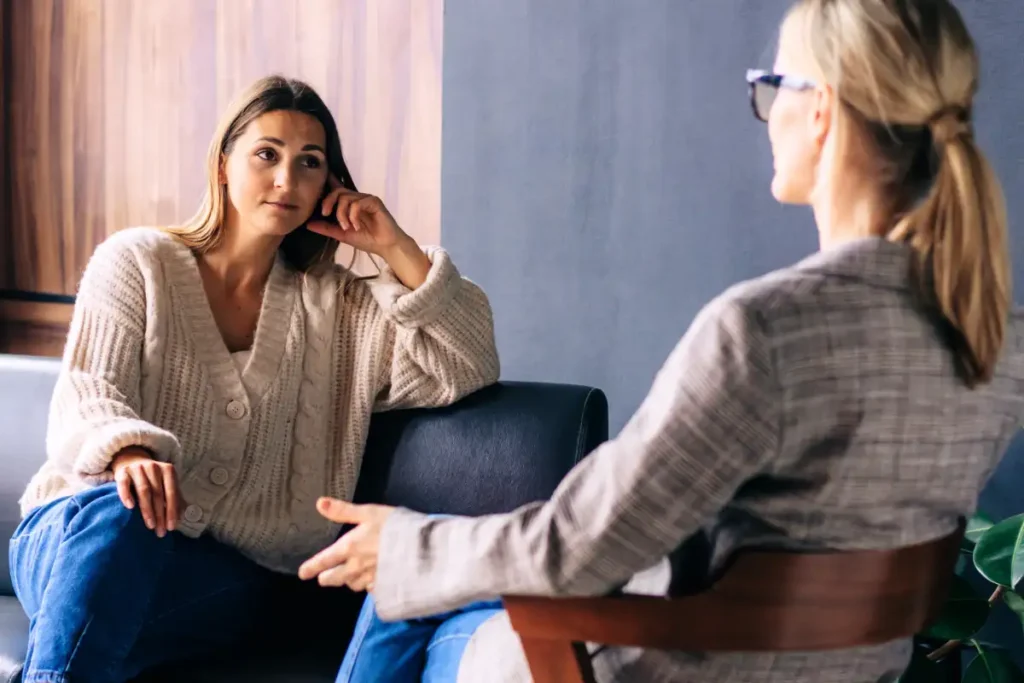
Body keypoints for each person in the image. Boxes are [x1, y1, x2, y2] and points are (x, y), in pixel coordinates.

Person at [297, 0, 1024, 681]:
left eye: (772, 90)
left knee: (409, 604)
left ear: (822, 110)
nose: (767, 117)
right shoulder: (997, 343)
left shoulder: (765, 331)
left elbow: (579, 546)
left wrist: (406, 544)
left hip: (649, 664)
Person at [8, 75, 499, 683]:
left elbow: (467, 364)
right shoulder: (137, 261)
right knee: (121, 517)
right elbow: (87, 387)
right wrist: (128, 450)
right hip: (78, 535)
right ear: (223, 165)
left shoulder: (342, 310)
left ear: (330, 186)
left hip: (224, 582)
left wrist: (396, 248)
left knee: (127, 619)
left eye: (310, 163)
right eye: (266, 154)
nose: (286, 180)